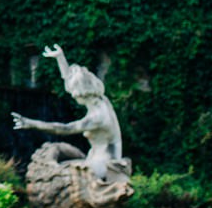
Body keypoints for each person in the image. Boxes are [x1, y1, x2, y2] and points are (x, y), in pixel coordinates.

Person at [11, 44, 127, 184]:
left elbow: (65, 128)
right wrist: (60, 57)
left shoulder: (97, 117)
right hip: (95, 156)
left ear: (81, 93)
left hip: (106, 164)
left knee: (60, 175)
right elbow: (71, 78)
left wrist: (30, 123)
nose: (72, 95)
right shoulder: (101, 100)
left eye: (73, 92)